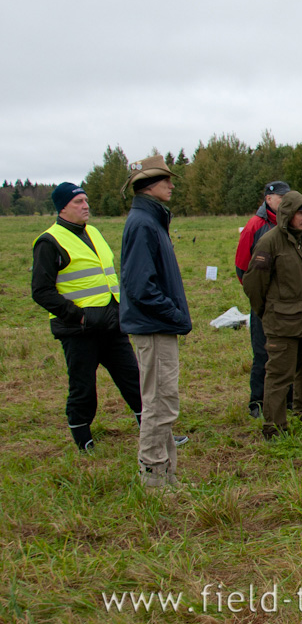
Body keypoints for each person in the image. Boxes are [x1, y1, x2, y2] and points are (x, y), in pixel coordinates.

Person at [31, 182, 142, 451]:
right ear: (63, 208)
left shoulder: (93, 232)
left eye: (86, 200)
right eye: (79, 201)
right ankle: (84, 442)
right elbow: (41, 291)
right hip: (78, 330)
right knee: (83, 388)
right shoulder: (49, 241)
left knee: (134, 380)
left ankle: (154, 433)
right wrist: (77, 317)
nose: (86, 206)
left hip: (112, 323)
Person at [120, 156, 192, 487]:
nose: (172, 185)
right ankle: (153, 478)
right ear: (149, 187)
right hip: (154, 326)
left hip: (158, 325)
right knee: (159, 404)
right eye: (166, 181)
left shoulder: (151, 221)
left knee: (164, 402)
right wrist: (174, 314)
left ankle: (167, 476)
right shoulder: (143, 224)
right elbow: (140, 287)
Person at [242, 191, 302, 439]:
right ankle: (274, 427)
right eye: (300, 213)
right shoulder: (270, 242)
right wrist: (268, 312)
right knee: (279, 377)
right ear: (287, 214)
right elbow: (254, 284)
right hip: (282, 324)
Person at [235, 180, 291, 419]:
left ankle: (288, 400)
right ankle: (257, 401)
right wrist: (259, 298)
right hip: (264, 303)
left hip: (288, 301)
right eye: (281, 197)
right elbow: (241, 266)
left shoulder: (292, 222)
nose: (285, 201)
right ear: (269, 199)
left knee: (288, 351)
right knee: (263, 352)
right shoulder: (255, 225)